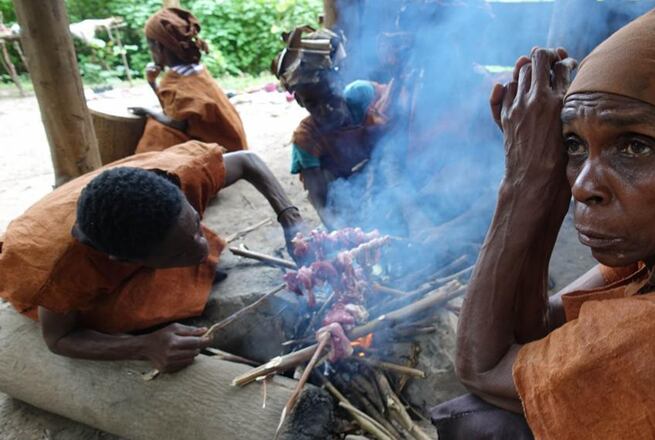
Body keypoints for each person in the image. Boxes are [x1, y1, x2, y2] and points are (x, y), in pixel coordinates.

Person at [436, 0, 655, 438]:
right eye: (574, 145)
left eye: (635, 146)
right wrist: (546, 183)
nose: (583, 186)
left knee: (483, 423)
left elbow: (483, 365)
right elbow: (538, 332)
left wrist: (523, 184)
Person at [0, 142, 304, 373]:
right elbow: (58, 339)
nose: (201, 249)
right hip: (32, 251)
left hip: (140, 233)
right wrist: (143, 345)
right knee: (116, 318)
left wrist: (291, 219)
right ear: (123, 261)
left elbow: (248, 160)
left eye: (195, 225)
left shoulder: (182, 175)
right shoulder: (60, 274)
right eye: (180, 252)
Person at [274, 26, 391, 227]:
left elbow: (398, 132)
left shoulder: (364, 96)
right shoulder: (307, 138)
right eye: (312, 103)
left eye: (329, 97)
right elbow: (320, 199)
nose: (325, 108)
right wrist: (339, 231)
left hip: (384, 175)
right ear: (300, 102)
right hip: (344, 193)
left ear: (340, 84)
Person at [132, 8, 249, 154]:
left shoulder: (178, 82)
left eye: (150, 47)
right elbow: (171, 109)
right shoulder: (196, 71)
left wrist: (148, 111)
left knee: (157, 130)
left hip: (224, 152)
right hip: (234, 144)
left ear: (158, 47)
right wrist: (152, 83)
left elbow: (176, 123)